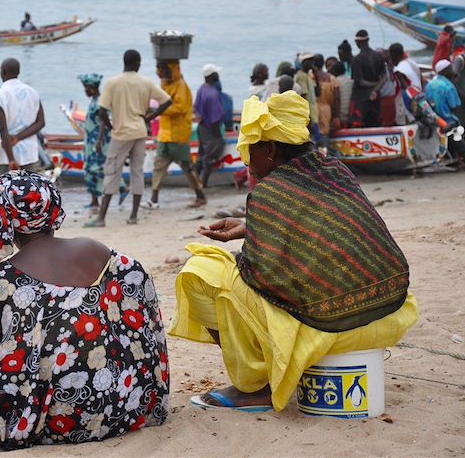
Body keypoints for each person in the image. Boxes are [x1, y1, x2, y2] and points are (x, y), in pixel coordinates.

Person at [169, 91, 417, 412]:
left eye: (250, 150)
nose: (248, 162)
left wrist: (245, 247)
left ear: (270, 148)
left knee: (201, 271)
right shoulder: (334, 170)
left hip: (330, 329)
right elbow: (324, 225)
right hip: (388, 315)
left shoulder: (268, 193)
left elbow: (264, 279)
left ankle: (257, 386)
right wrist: (252, 226)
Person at [0, 171, 169, 449]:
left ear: (4, 219)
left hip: (59, 419)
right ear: (52, 208)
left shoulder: (2, 278)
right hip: (125, 403)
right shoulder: (104, 253)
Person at [85, 50, 173, 227]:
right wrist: (149, 118)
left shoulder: (112, 83)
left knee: (111, 172)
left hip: (121, 133)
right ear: (138, 63)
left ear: (124, 62)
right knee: (137, 172)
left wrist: (111, 127)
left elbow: (102, 111)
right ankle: (133, 216)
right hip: (140, 132)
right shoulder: (146, 82)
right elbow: (167, 101)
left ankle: (101, 217)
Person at [144, 61, 206, 209]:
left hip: (178, 135)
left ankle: (200, 195)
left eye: (165, 70)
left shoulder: (181, 86)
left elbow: (180, 108)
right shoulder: (165, 85)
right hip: (164, 135)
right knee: (159, 166)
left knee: (187, 167)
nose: (162, 73)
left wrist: (159, 110)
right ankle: (154, 199)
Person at [78, 74, 128, 210]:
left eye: (86, 88)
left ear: (93, 88)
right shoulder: (94, 100)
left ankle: (122, 188)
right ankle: (94, 200)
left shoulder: (100, 101)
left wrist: (99, 140)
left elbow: (103, 122)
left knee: (99, 168)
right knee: (92, 169)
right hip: (91, 142)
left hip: (98, 142)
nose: (85, 91)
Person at [0, 58, 45, 175]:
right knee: (29, 191)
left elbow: (3, 129)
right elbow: (41, 122)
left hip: (5, 156)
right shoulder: (33, 92)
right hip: (29, 153)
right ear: (18, 72)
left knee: (5, 192)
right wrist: (18, 137)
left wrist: (11, 159)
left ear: (3, 72)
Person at [194, 64, 226, 188]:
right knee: (209, 158)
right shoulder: (213, 94)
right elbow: (215, 120)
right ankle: (203, 185)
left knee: (201, 156)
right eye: (216, 73)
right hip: (209, 129)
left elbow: (197, 110)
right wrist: (219, 137)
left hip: (201, 128)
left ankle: (195, 183)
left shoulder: (201, 89)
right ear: (213, 76)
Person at [425, 59, 465, 161]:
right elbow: (455, 106)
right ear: (444, 71)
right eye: (450, 68)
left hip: (434, 120)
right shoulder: (448, 86)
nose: (452, 70)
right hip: (448, 121)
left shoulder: (429, 85)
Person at [350, 30, 387, 128]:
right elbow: (384, 77)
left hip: (361, 99)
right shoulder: (377, 56)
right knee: (375, 123)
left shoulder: (357, 59)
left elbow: (359, 82)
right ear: (368, 40)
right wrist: (376, 89)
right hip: (376, 97)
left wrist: (373, 87)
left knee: (357, 124)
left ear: (357, 42)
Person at [313, 53, 340, 147]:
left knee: (313, 133)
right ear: (323, 63)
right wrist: (336, 116)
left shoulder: (310, 77)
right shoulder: (332, 78)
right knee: (324, 133)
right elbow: (337, 98)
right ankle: (325, 153)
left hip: (312, 109)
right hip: (326, 110)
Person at [294, 52, 321, 141]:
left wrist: (316, 75)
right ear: (304, 62)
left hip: (313, 115)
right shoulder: (301, 76)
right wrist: (309, 119)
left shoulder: (308, 76)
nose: (312, 63)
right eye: (310, 61)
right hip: (310, 118)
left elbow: (318, 93)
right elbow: (303, 99)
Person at [329, 61, 353, 127]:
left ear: (335, 71)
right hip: (350, 115)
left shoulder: (334, 82)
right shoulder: (351, 81)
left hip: (339, 116)